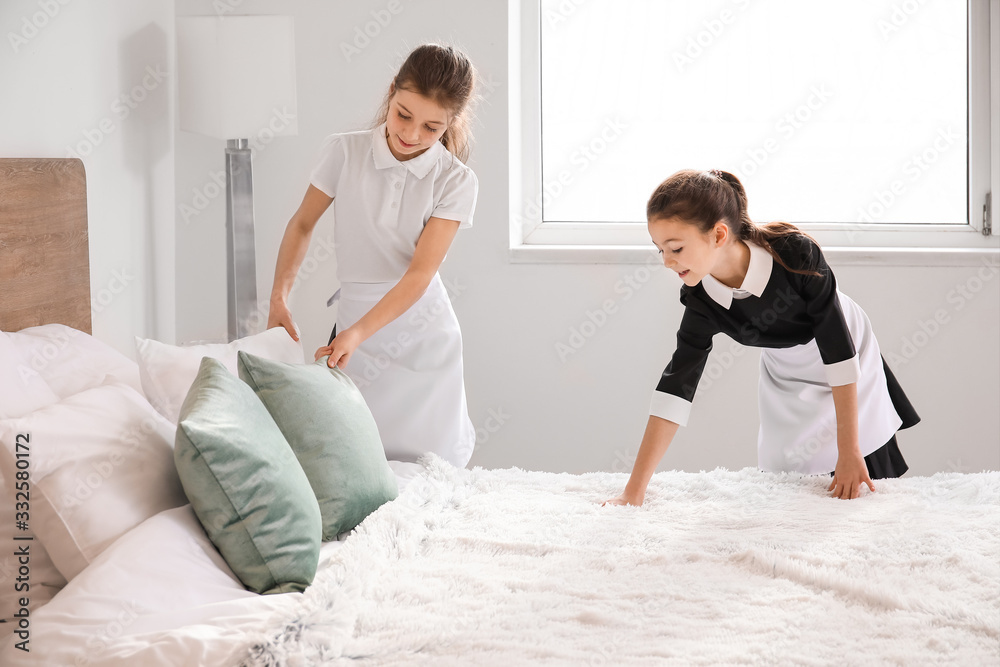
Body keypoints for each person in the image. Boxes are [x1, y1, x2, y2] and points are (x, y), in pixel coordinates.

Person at [605, 169, 920, 505]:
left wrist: (849, 449)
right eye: (659, 251)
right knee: (791, 474)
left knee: (859, 467)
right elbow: (675, 389)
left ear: (719, 234)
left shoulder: (796, 256)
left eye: (676, 248)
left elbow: (838, 352)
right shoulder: (701, 299)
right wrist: (633, 492)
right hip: (784, 362)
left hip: (847, 348)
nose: (667, 262)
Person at [266, 44, 479, 468]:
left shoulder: (456, 180)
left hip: (423, 333)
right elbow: (303, 224)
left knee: (431, 469)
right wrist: (279, 297)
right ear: (391, 92)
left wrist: (359, 332)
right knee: (352, 460)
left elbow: (419, 275)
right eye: (403, 114)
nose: (412, 134)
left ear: (450, 124)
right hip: (355, 330)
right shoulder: (344, 152)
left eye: (432, 127)